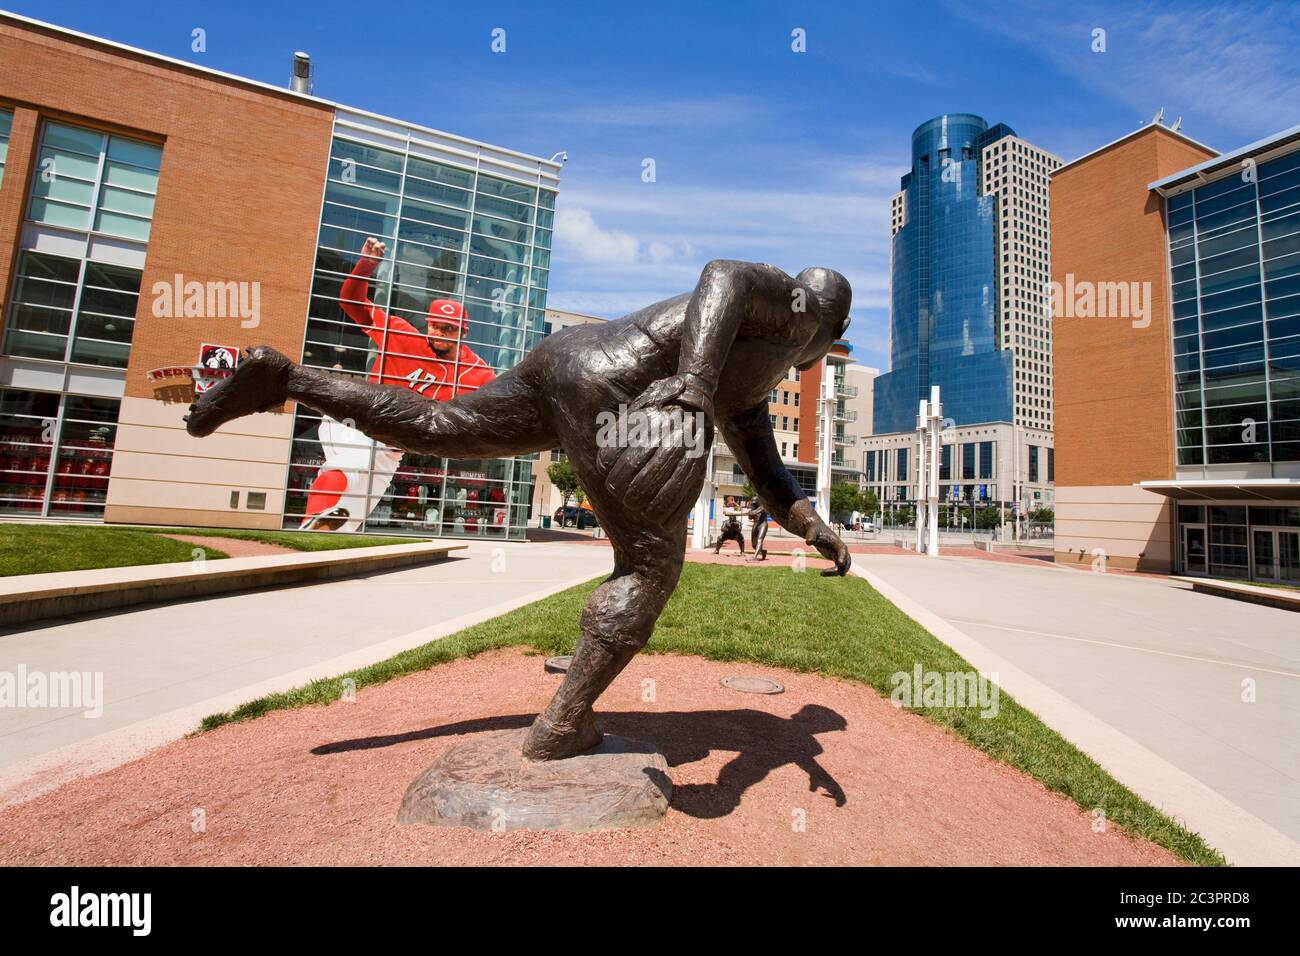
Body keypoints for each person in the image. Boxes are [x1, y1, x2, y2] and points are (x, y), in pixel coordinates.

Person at [186, 258, 853, 760]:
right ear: (835, 325)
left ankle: (288, 379)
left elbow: (765, 467)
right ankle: (563, 726)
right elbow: (726, 276)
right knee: (649, 569)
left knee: (442, 426)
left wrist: (811, 525)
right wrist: (695, 383)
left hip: (568, 361)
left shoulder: (755, 377)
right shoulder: (803, 316)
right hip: (617, 381)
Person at [299, 237, 494, 531]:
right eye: (435, 325)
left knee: (351, 516)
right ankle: (308, 523)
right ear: (427, 323)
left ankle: (318, 538)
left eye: (448, 328)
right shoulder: (403, 335)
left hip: (392, 447)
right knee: (350, 465)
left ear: (462, 332)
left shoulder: (476, 372)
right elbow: (352, 304)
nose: (439, 331)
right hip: (356, 417)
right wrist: (366, 265)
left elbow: (503, 402)